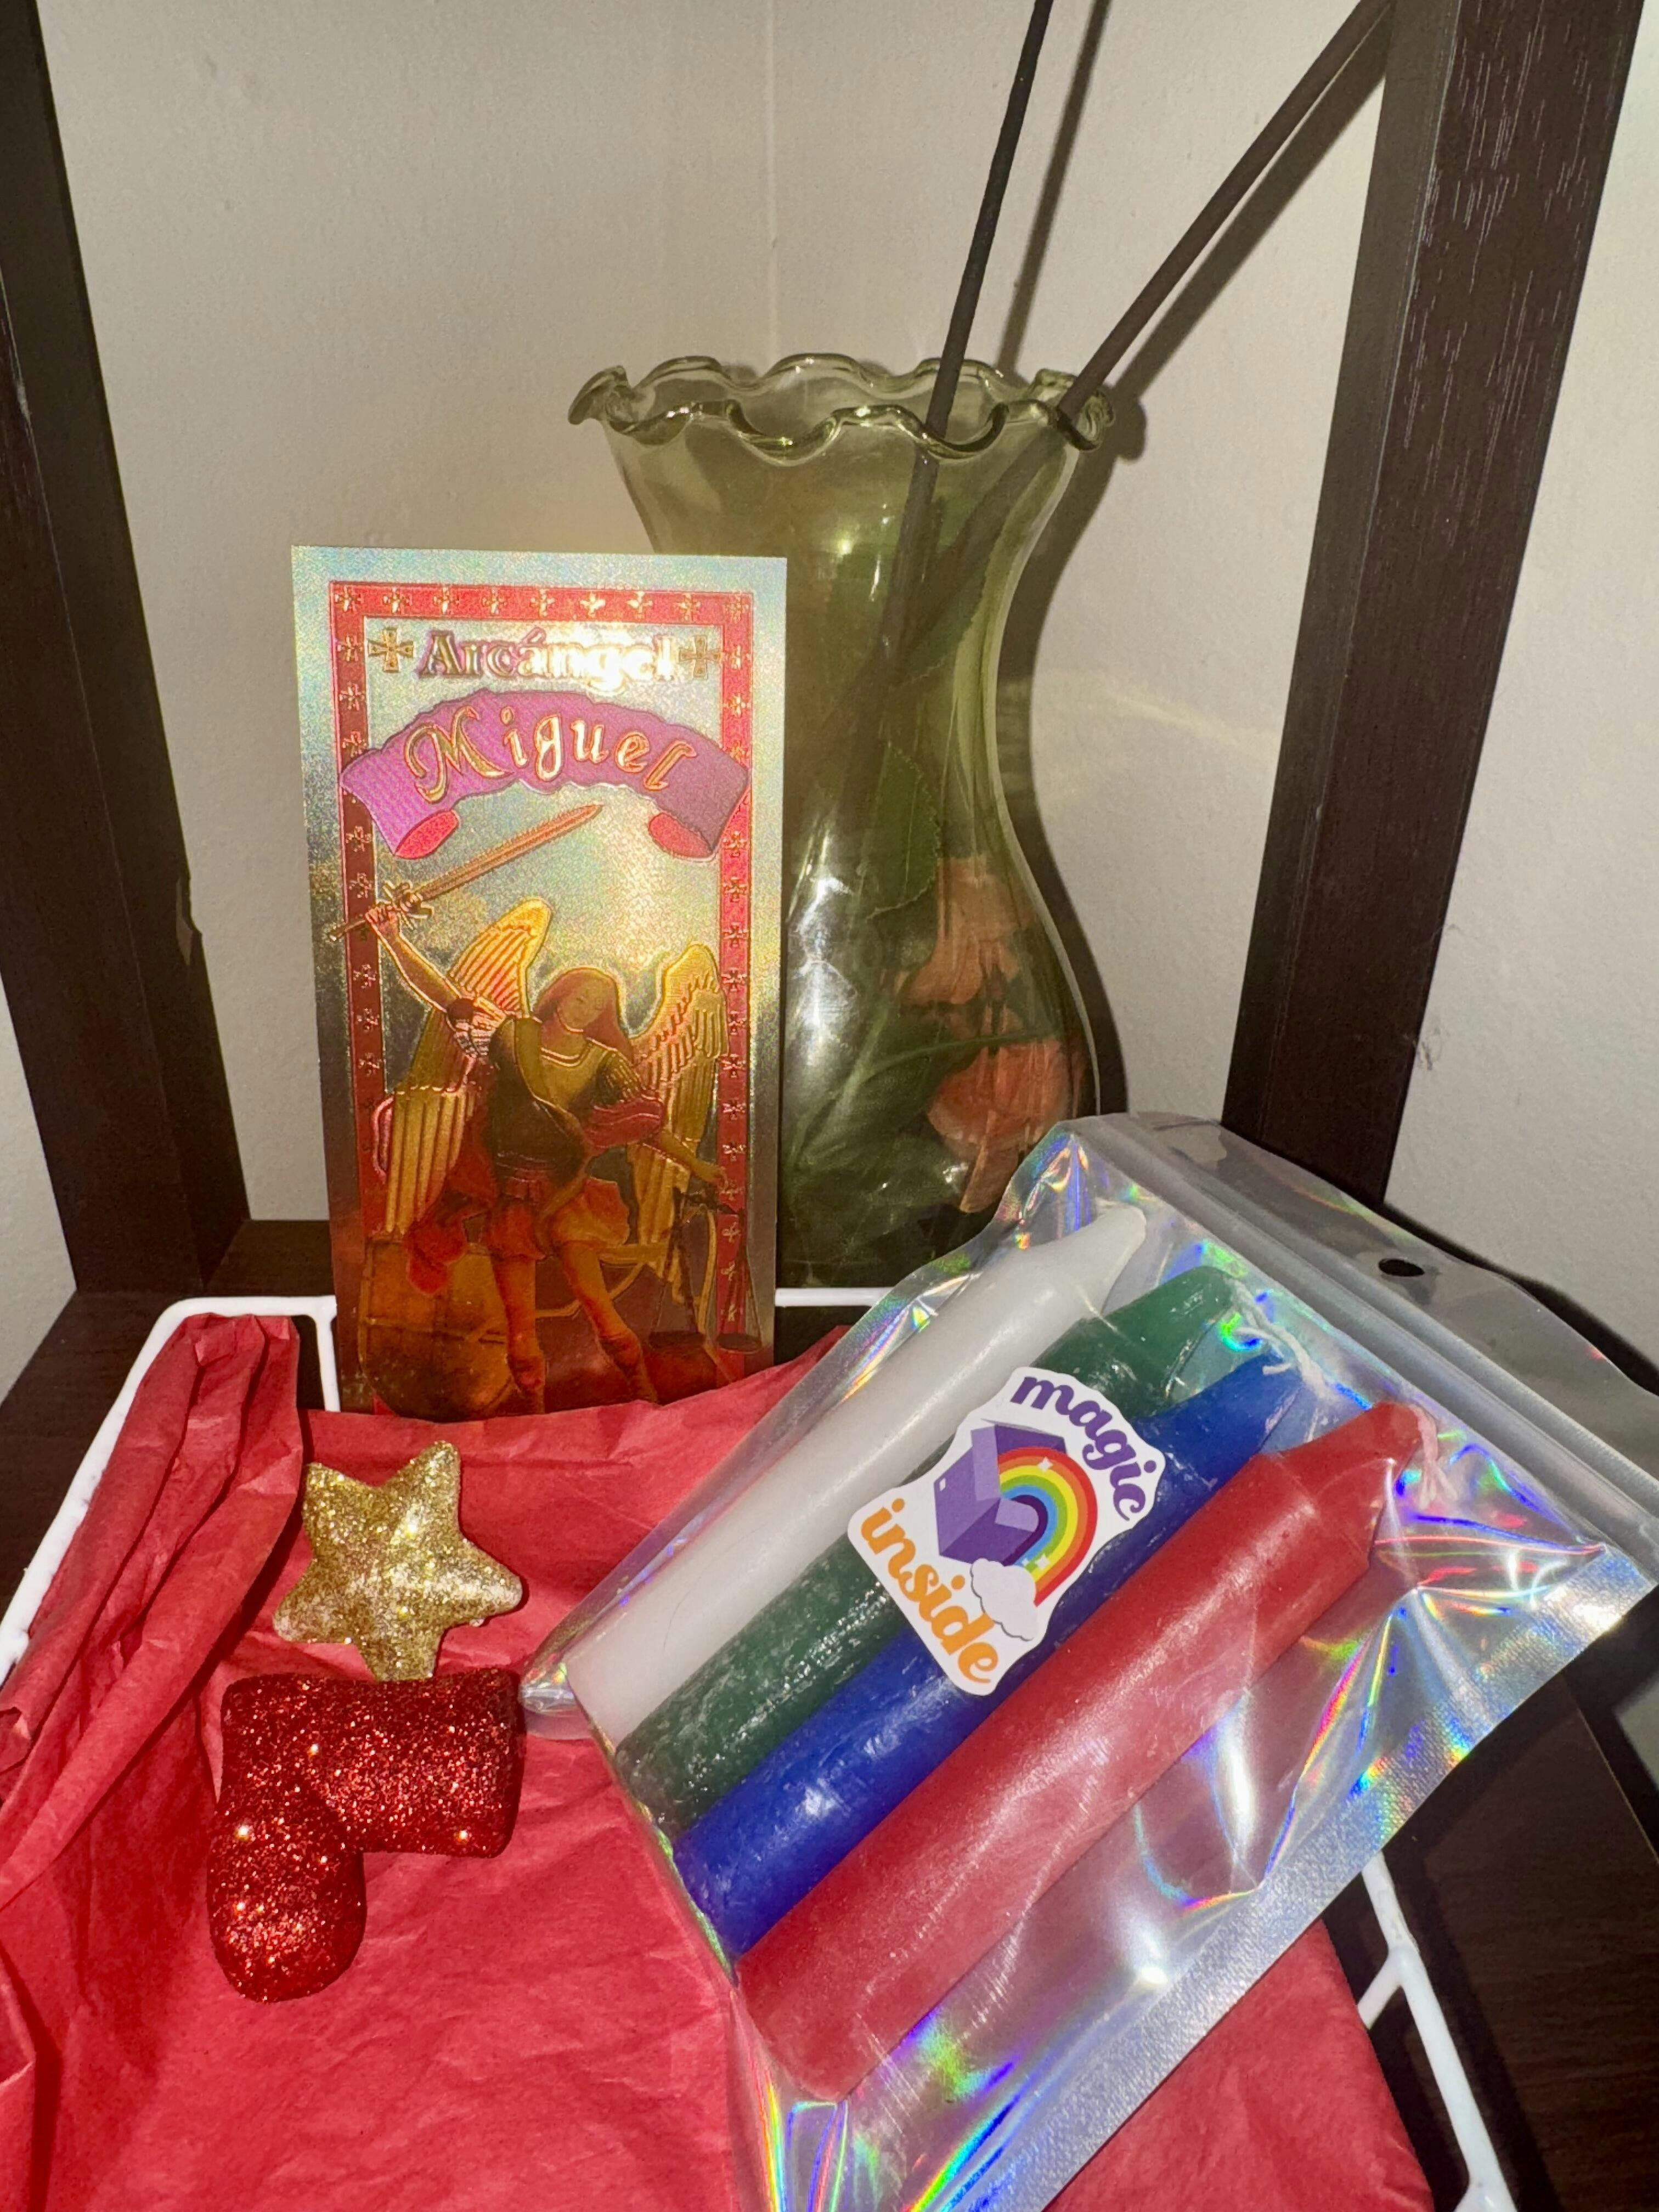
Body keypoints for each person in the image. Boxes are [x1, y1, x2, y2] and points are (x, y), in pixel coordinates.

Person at [368, 904, 718, 1408]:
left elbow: (647, 1128)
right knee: (520, 1327)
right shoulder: (512, 1037)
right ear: (561, 994)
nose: (585, 1008)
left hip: (569, 1194)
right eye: (580, 997)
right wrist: (393, 938)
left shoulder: (605, 1062)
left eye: (596, 1005)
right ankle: (532, 1415)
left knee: (602, 1311)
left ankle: (644, 1394)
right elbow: (446, 998)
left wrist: (698, 1165)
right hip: (512, 1194)